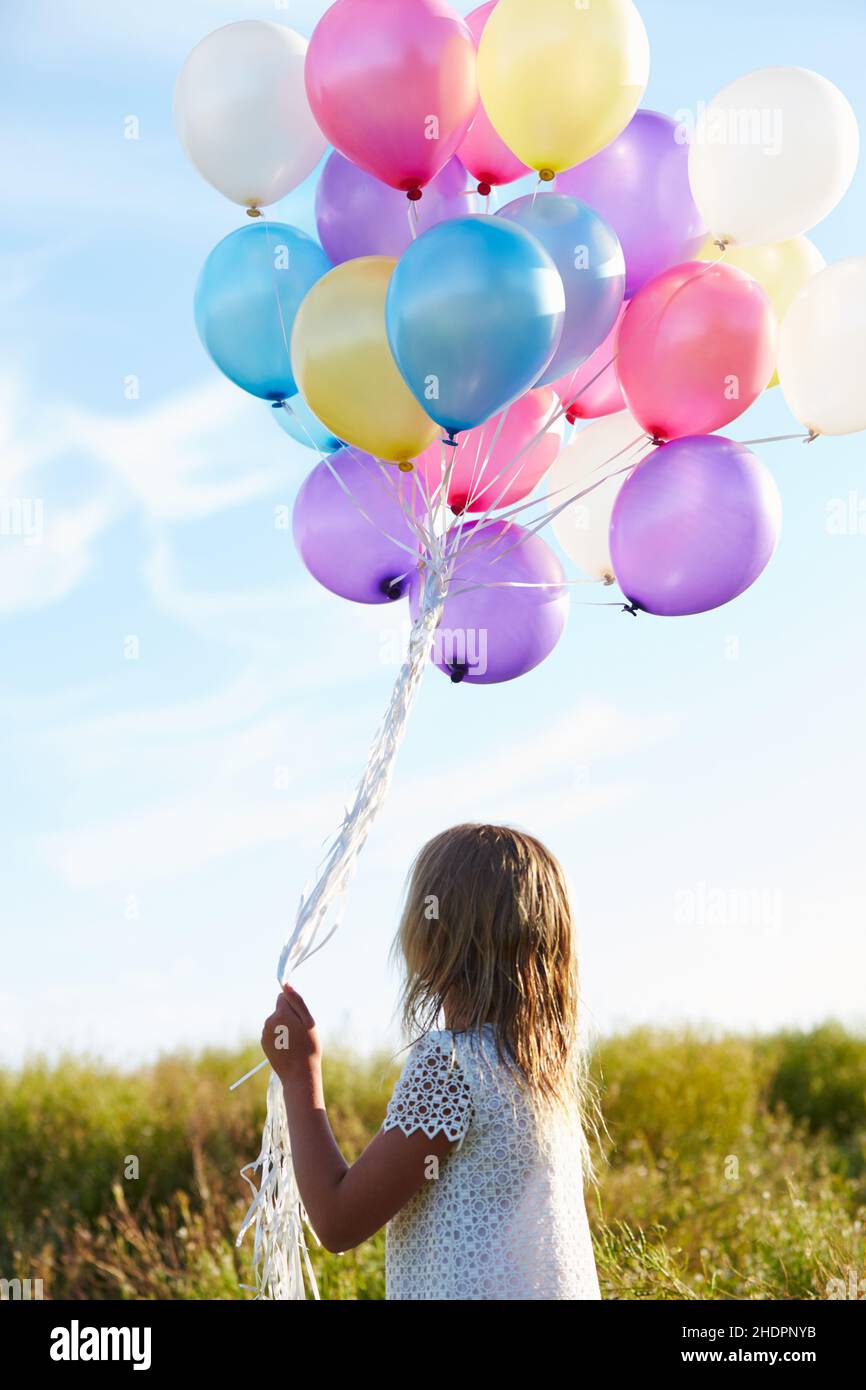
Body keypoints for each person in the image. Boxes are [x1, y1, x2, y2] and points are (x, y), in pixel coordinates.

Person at [261, 822, 600, 1300]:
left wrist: (300, 1072)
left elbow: (338, 1222)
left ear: (430, 937)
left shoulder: (452, 1065)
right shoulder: (538, 1071)